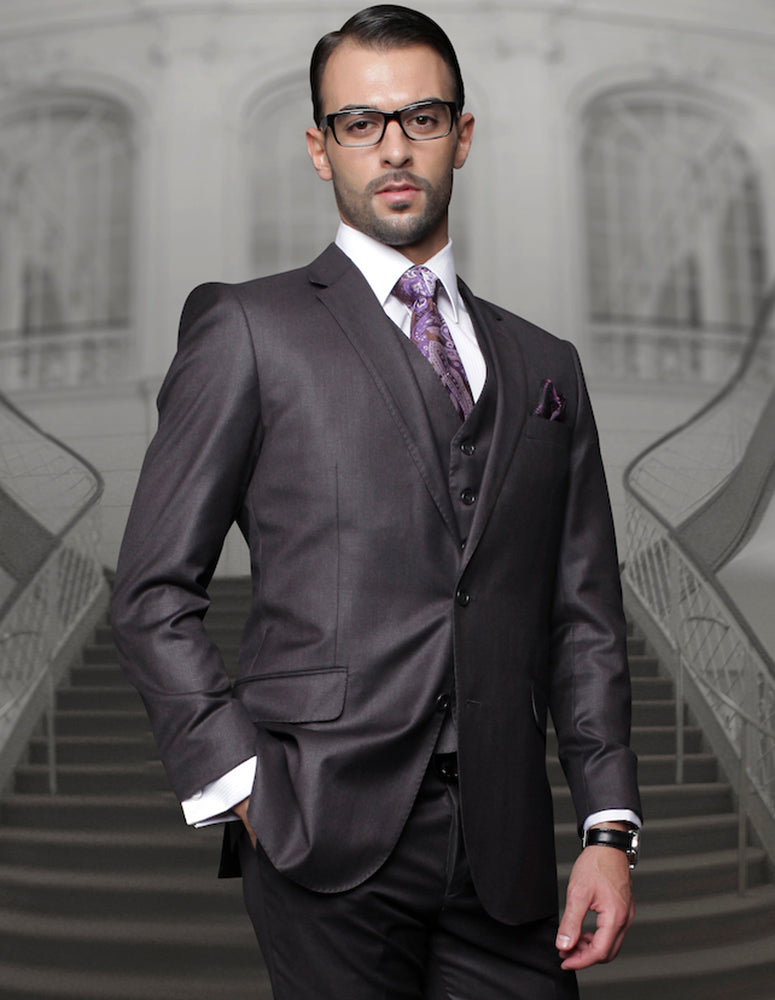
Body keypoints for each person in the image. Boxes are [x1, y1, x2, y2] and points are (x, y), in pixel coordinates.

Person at [111, 5, 642, 998]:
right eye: (359, 123)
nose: (393, 148)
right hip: (320, 837)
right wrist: (246, 787)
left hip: (508, 850)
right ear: (320, 148)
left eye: (421, 118)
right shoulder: (248, 329)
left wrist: (607, 827)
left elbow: (584, 617)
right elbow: (151, 592)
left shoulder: (544, 365)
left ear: (462, 135)